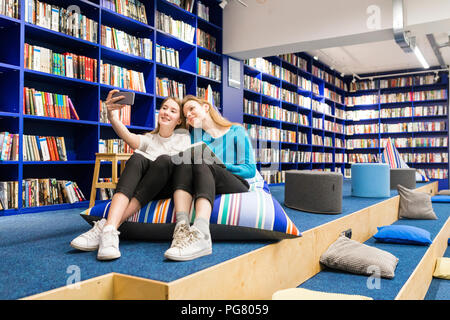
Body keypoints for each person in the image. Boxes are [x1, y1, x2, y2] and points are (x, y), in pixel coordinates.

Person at [70, 89, 191, 260]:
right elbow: (127, 136)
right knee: (136, 158)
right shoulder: (150, 139)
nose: (166, 112)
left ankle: (106, 224)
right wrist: (112, 115)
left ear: (179, 120)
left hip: (166, 187)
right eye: (164, 108)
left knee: (163, 160)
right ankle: (110, 231)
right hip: (144, 188)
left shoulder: (183, 138)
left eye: (172, 110)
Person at [163, 95, 257, 261]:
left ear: (206, 107)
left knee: (202, 160)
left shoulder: (236, 131)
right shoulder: (194, 137)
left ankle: (202, 233)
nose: (189, 116)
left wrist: (219, 164)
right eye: (185, 115)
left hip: (234, 181)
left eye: (192, 109)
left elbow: (249, 170)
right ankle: (182, 227)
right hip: (204, 179)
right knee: (186, 160)